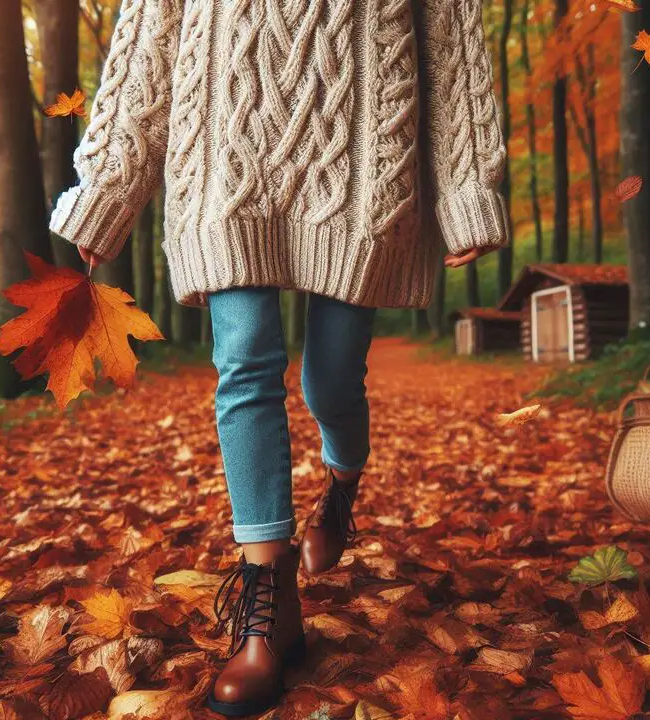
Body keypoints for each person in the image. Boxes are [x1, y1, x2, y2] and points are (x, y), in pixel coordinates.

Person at [49, 0, 509, 715]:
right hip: (223, 167)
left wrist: (468, 186)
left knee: (332, 381)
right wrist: (109, 189)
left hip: (364, 176)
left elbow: (449, 46)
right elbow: (147, 48)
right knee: (245, 363)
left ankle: (342, 485)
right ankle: (268, 598)